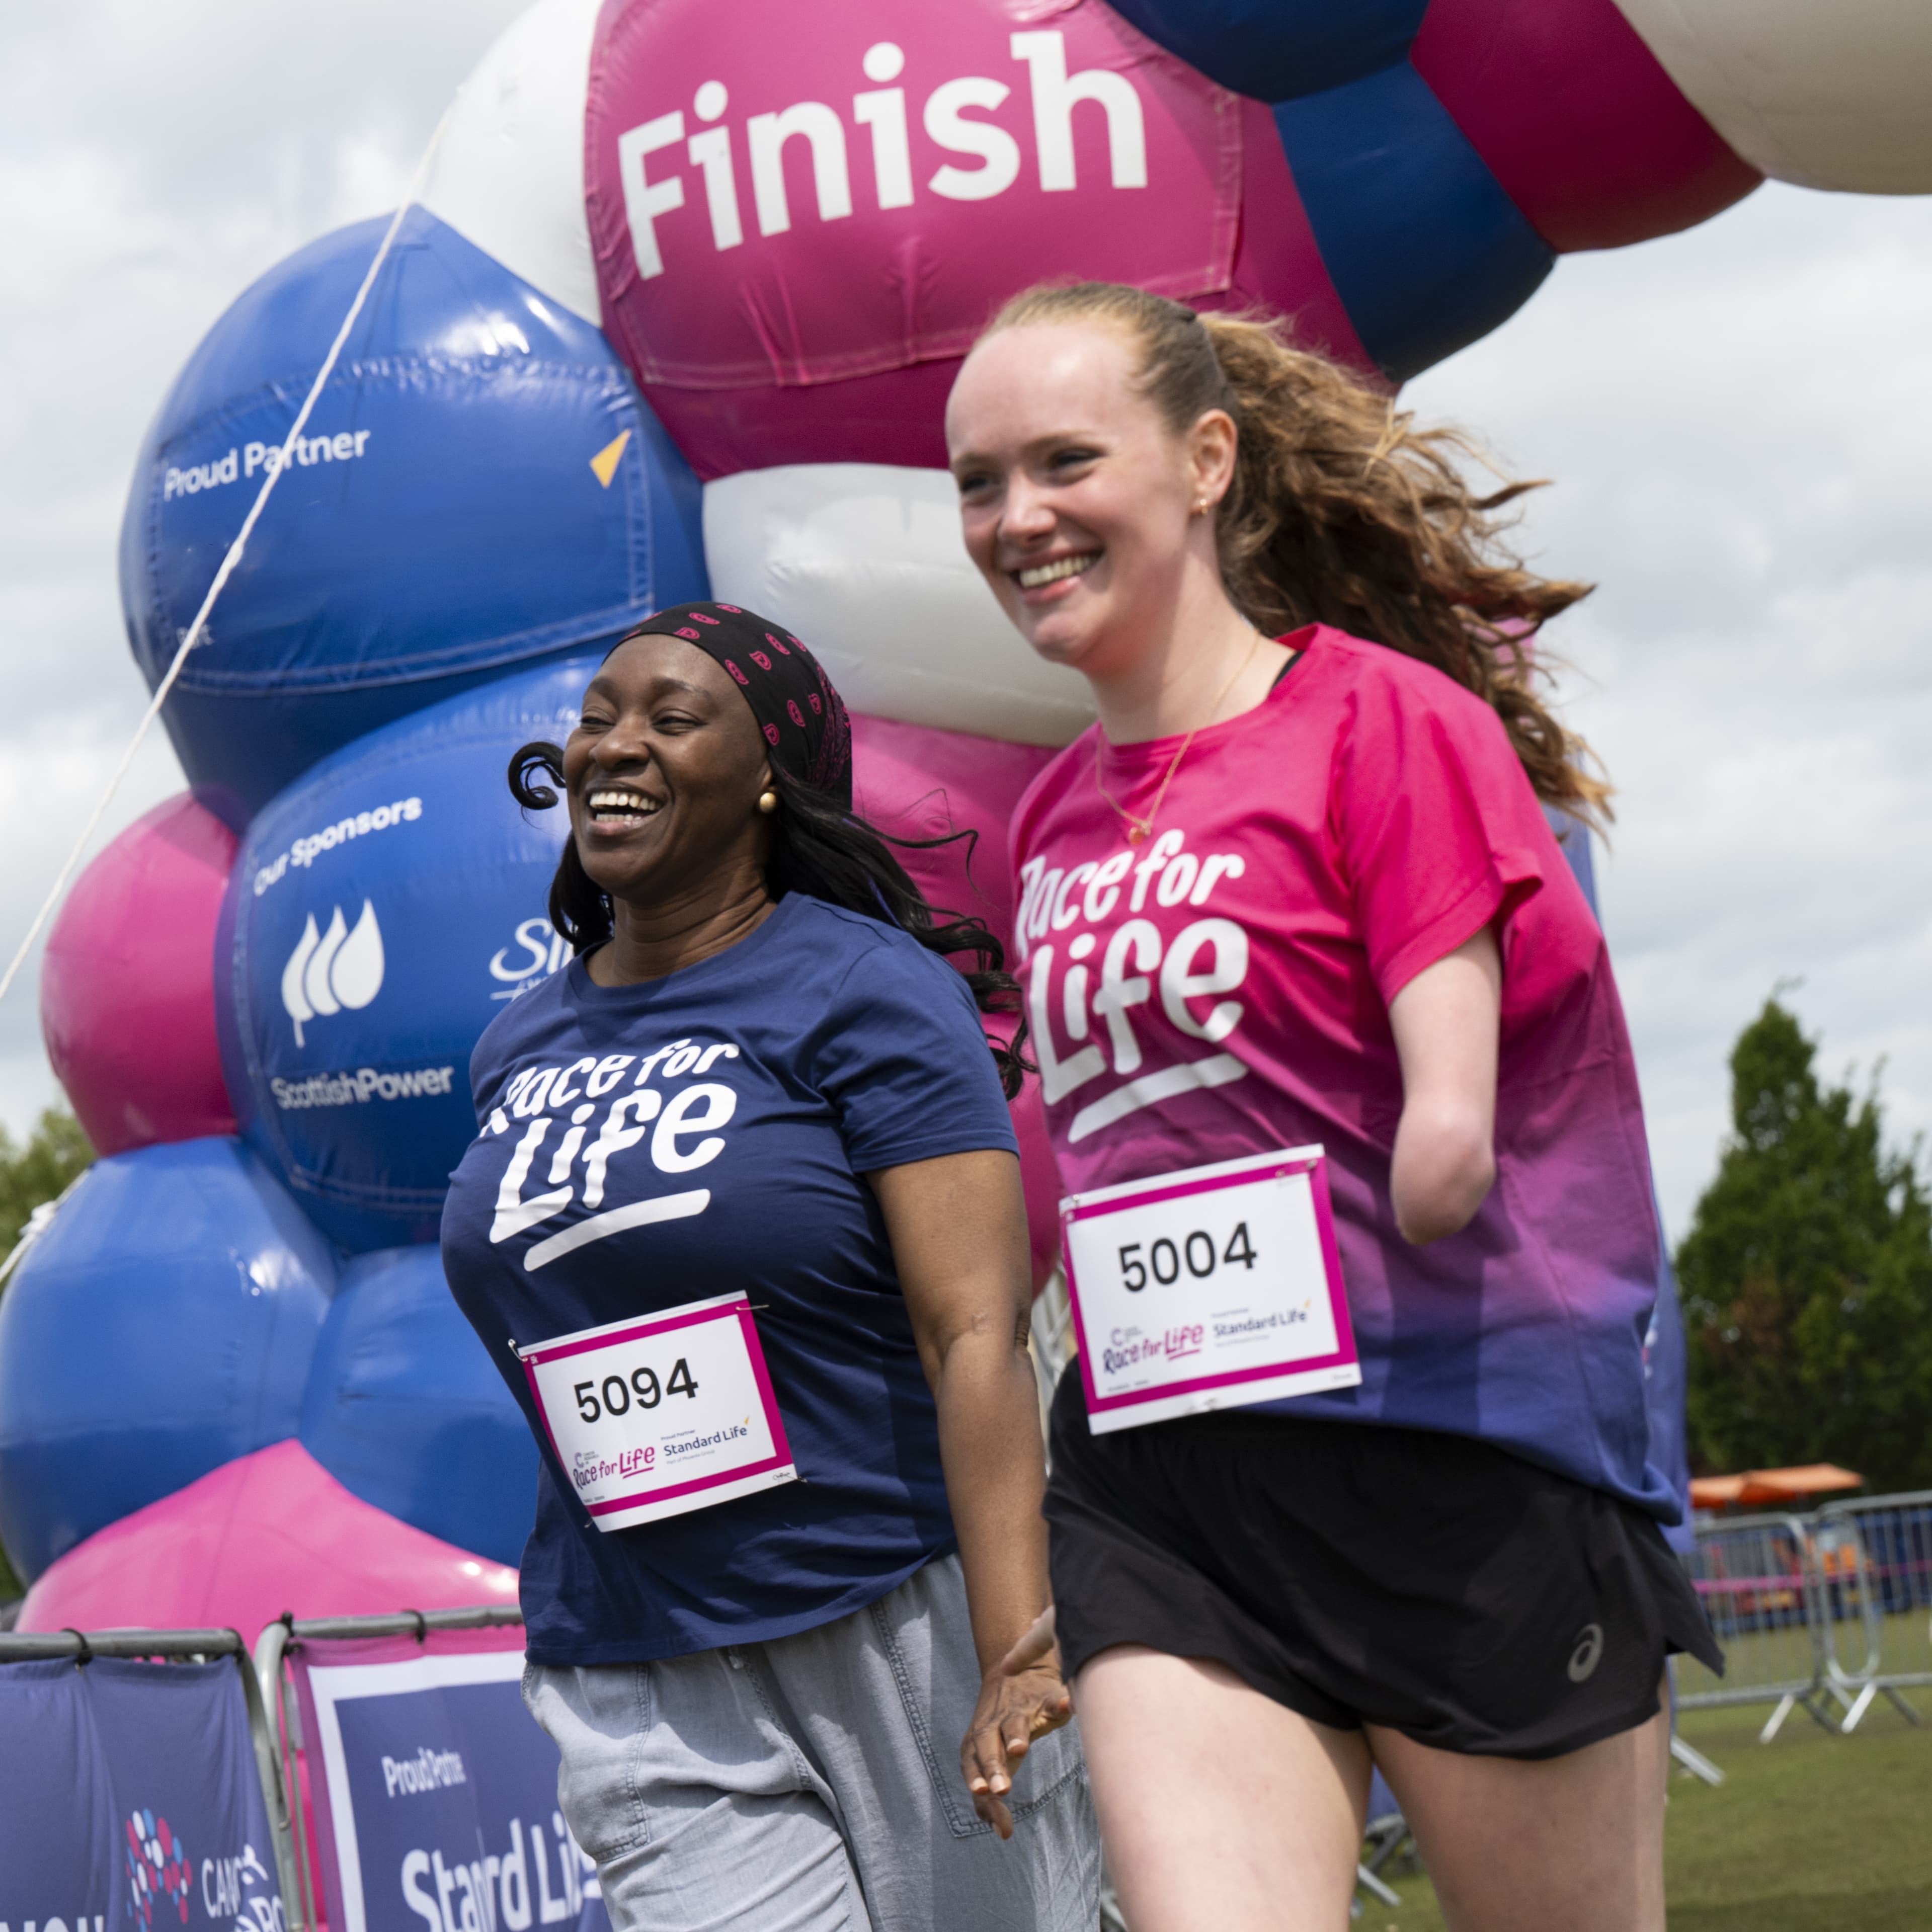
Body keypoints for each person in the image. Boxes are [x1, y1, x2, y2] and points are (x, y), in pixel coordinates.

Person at [943, 283, 1722, 1932]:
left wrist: (1427, 1160)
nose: (1017, 520)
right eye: (977, 482)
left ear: (1207, 459)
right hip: (1171, 1500)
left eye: (1063, 461)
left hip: (1460, 1457)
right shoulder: (1053, 821)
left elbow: (1451, 1113)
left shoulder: (1385, 721)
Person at [439, 602, 1097, 1932]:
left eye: (670, 719)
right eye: (598, 716)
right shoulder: (517, 1046)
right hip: (640, 1660)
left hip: (899, 1616)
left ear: (761, 780)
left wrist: (1016, 1643)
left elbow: (972, 1327)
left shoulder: (867, 990)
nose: (615, 745)